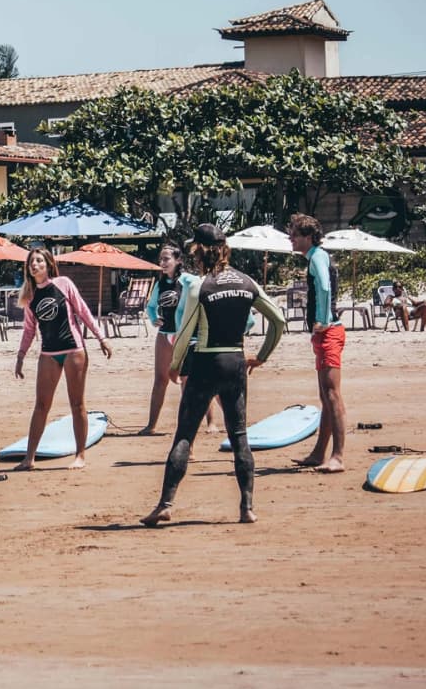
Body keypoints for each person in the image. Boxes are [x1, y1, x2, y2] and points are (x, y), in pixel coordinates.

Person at [141, 224, 285, 527]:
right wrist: (261, 356)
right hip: (235, 362)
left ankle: (165, 505)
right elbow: (278, 319)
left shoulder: (200, 286)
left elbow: (184, 333)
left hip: (205, 362)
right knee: (239, 436)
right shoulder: (247, 282)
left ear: (202, 250)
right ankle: (247, 507)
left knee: (184, 434)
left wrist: (175, 365)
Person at [12, 247, 112, 471]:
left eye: (39, 261)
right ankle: (29, 458)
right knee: (41, 406)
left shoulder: (64, 283)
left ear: (48, 265)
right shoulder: (29, 296)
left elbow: (83, 311)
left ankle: (80, 456)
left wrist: (101, 338)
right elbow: (29, 329)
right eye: (31, 262)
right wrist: (20, 356)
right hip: (48, 353)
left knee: (77, 404)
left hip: (73, 350)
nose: (34, 265)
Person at [288, 213, 347, 473]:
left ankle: (338, 457)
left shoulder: (317, 257)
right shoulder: (316, 257)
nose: (291, 239)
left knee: (332, 395)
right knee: (325, 395)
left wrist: (322, 320)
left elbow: (323, 288)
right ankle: (319, 453)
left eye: (295, 235)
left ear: (309, 237)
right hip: (326, 333)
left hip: (329, 332)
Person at [140, 246, 199, 435]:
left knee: (188, 380)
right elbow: (150, 306)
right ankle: (151, 425)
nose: (163, 263)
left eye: (166, 259)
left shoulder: (189, 280)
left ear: (178, 260)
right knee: (160, 379)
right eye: (161, 259)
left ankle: (206, 423)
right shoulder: (161, 283)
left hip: (186, 336)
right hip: (165, 334)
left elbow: (200, 296)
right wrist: (153, 318)